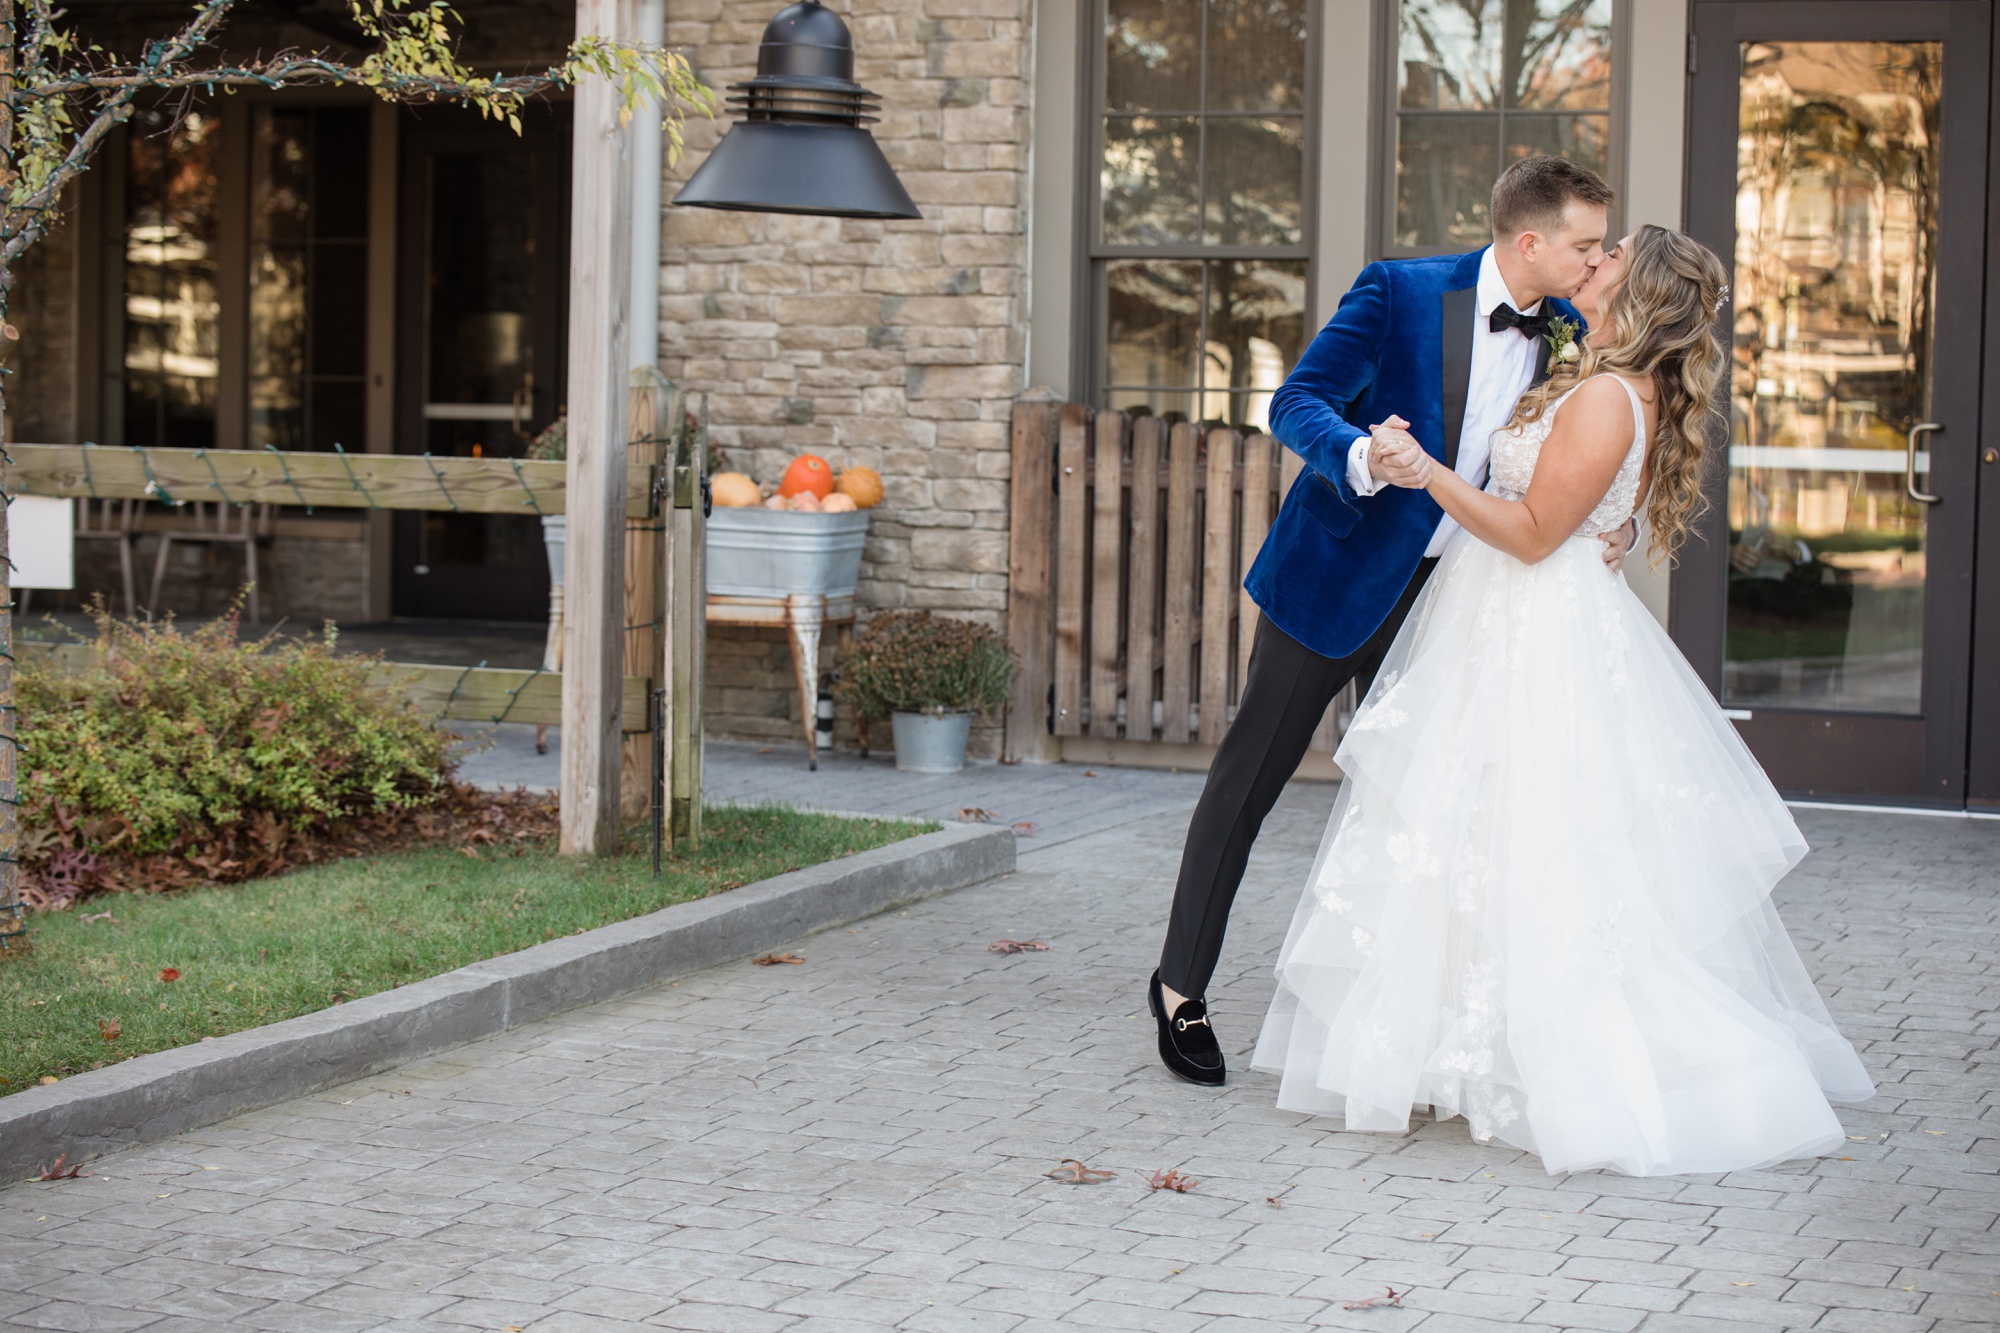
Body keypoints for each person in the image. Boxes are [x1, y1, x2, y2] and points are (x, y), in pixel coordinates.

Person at [1251, 225, 1875, 1175]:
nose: (1594, 259)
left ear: (1637, 286)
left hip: (1531, 624)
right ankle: (1454, 1049)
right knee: (1472, 837)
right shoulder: (1599, 368)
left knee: (1526, 836)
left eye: (1612, 252)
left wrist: (1428, 475)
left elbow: (1537, 531)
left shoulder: (1605, 395)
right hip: (1500, 620)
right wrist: (1612, 524)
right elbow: (1592, 509)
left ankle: (1544, 1058)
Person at [1150, 156, 1629, 1085]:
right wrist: (1363, 455)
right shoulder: (1400, 290)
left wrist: (1620, 522)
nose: (1596, 258)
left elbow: (1583, 452)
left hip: (1454, 604)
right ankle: (1180, 987)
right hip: (1331, 579)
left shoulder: (1572, 324)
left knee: (1414, 813)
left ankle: (1387, 1028)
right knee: (1250, 780)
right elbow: (1297, 402)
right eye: (1584, 243)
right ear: (1530, 242)